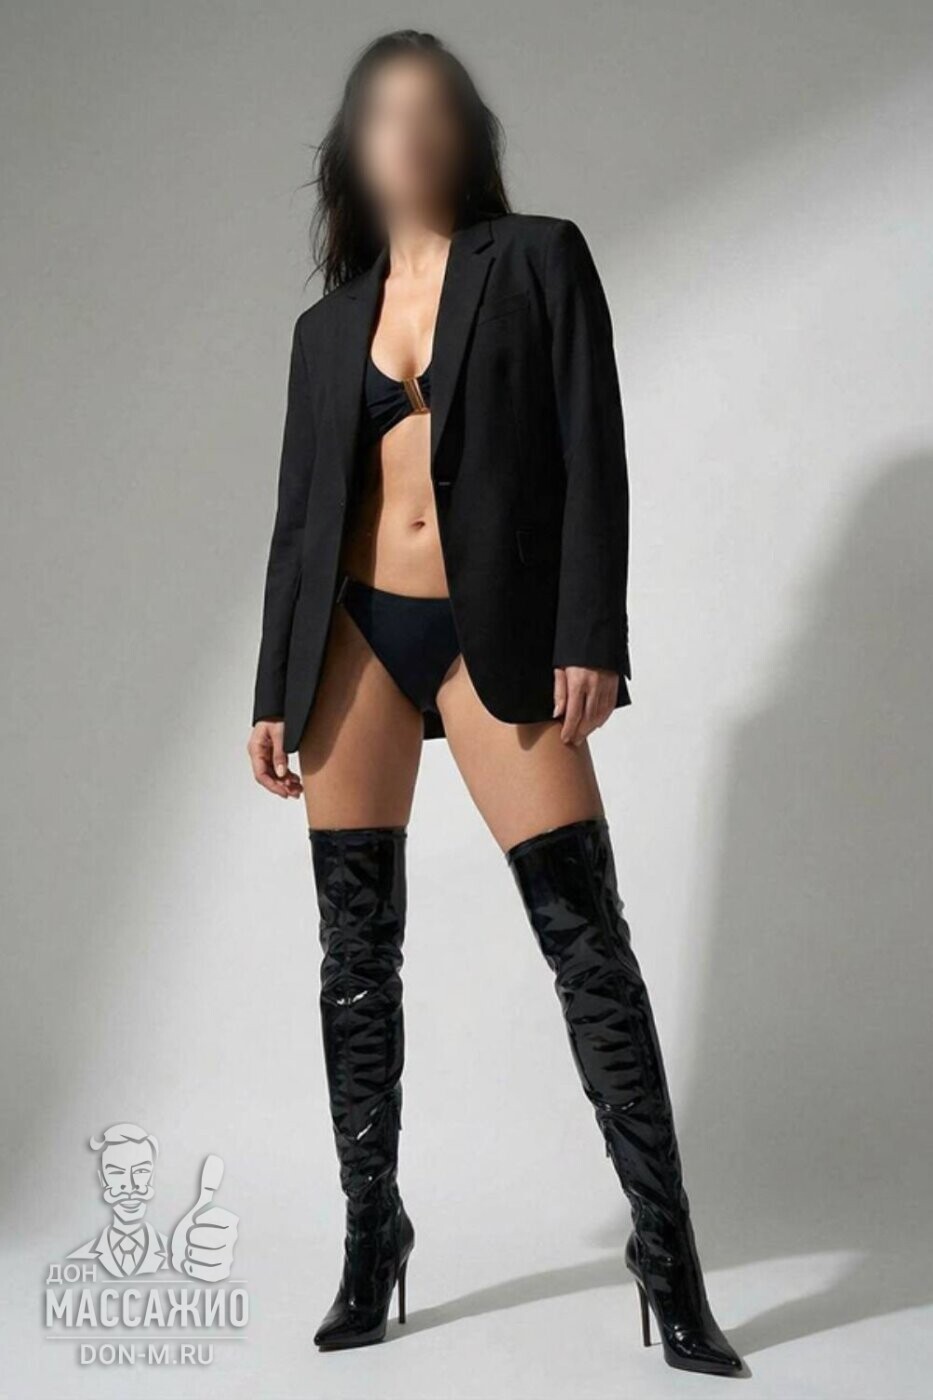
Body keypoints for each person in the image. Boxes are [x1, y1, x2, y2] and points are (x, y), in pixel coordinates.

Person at [248, 29, 741, 1376]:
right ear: (353, 148)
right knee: (355, 959)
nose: (406, 134)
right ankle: (373, 1235)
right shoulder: (323, 332)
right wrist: (274, 687)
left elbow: (593, 451)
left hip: (498, 636)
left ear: (465, 132)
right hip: (354, 637)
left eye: (430, 111)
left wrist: (592, 632)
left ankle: (667, 1258)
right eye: (381, 115)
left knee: (587, 944)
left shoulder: (535, 260)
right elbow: (299, 524)